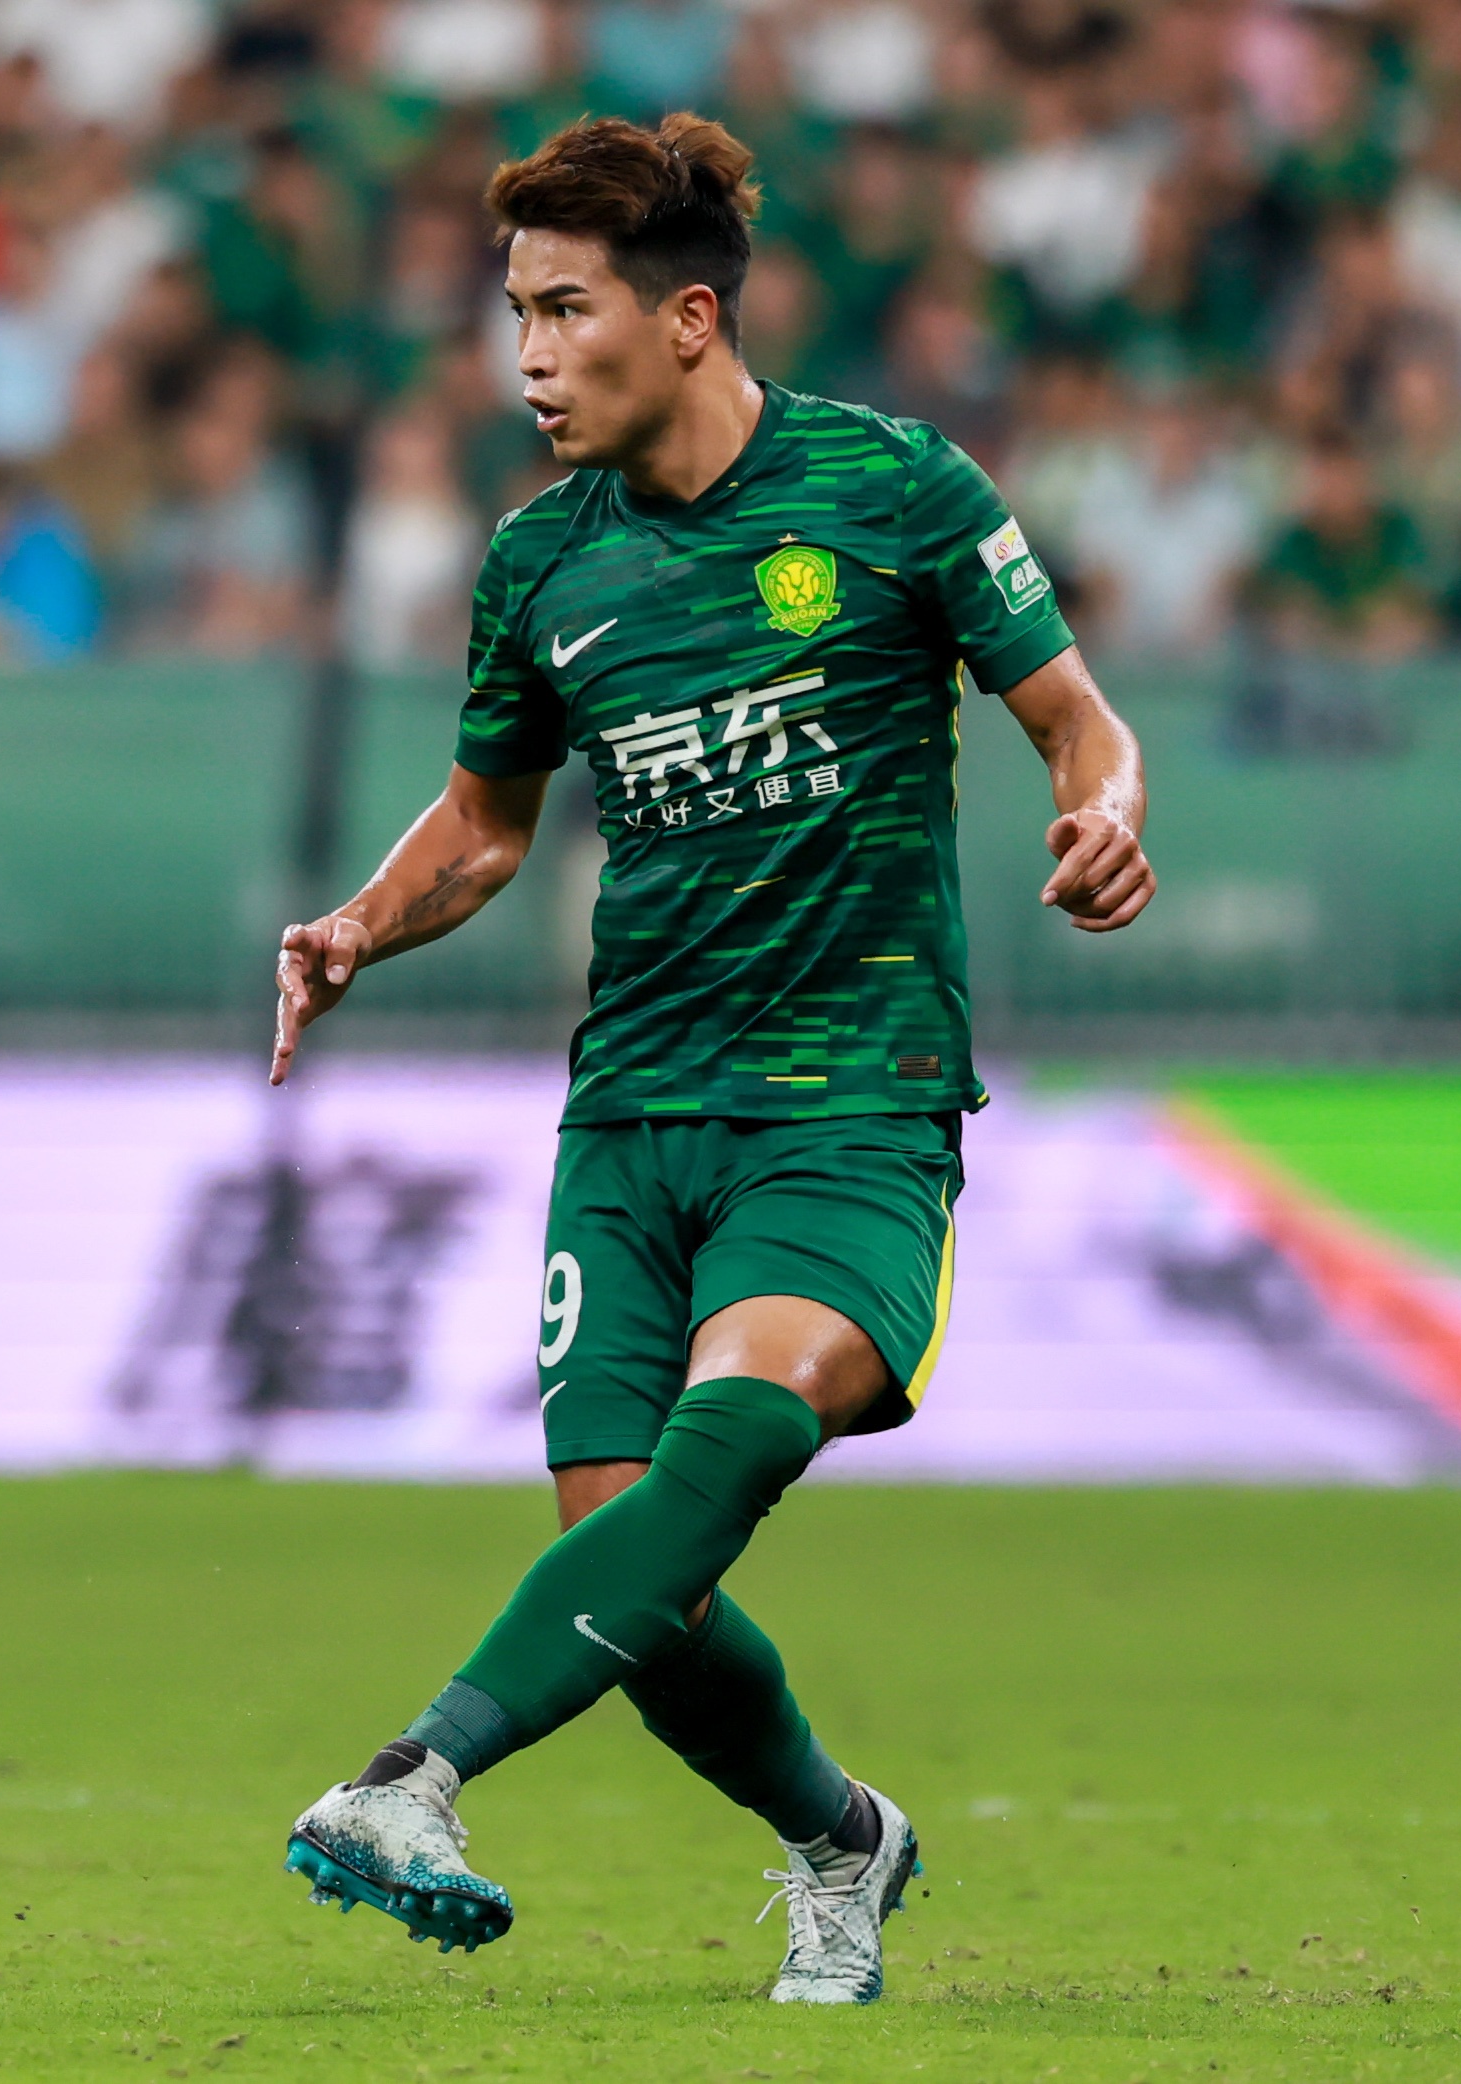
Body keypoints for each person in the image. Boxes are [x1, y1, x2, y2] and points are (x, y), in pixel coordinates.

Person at [270, 113, 1153, 2006]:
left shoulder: (890, 488)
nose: (525, 355)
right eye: (514, 312)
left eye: (561, 310)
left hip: (850, 1099)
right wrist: (359, 921)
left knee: (736, 1427)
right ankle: (844, 1841)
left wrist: (1105, 807)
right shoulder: (539, 561)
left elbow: (1074, 718)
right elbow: (485, 825)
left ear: (683, 320)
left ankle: (412, 1776)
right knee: (631, 1573)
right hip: (630, 1115)